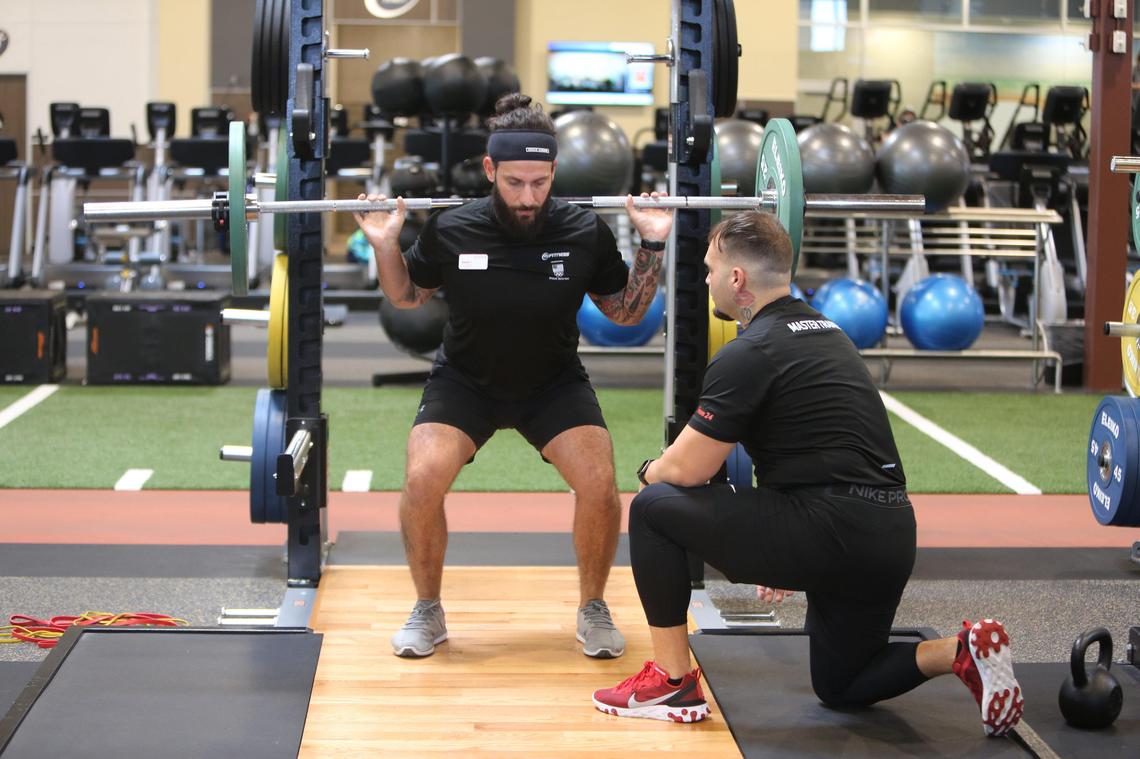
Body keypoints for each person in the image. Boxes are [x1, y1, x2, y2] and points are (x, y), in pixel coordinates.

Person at [592, 211, 1023, 736]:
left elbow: (685, 469)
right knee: (842, 684)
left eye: (709, 269)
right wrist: (775, 533)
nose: (705, 280)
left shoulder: (748, 351)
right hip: (889, 534)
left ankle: (672, 681)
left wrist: (648, 470)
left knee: (655, 508)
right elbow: (811, 440)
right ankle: (958, 652)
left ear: (737, 279)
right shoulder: (828, 332)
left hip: (826, 527)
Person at [352, 93, 674, 660]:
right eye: (515, 182)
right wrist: (385, 245)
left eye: (541, 182)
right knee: (422, 479)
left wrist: (651, 241)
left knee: (599, 483)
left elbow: (623, 313)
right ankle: (428, 608)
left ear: (554, 173)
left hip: (552, 382)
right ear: (489, 170)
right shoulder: (453, 229)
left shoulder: (583, 231)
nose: (528, 197)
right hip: (465, 381)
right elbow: (405, 296)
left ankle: (592, 607)